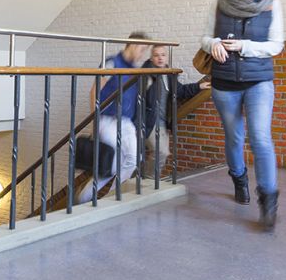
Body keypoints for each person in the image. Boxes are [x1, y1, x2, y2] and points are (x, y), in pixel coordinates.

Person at [201, 0, 284, 229]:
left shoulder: (272, 4)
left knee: (260, 137)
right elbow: (204, 36)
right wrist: (212, 43)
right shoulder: (219, 2)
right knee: (234, 137)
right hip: (224, 83)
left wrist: (245, 47)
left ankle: (268, 203)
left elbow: (276, 45)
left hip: (258, 81)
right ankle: (238, 179)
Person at [76, 34, 155, 202]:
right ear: (132, 45)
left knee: (133, 160)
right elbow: (94, 91)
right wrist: (96, 121)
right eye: (142, 50)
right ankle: (84, 198)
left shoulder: (134, 70)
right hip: (107, 120)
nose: (142, 55)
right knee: (112, 164)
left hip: (126, 122)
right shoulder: (112, 62)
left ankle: (110, 197)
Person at [140, 45, 211, 180]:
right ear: (151, 58)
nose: (160, 58)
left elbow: (179, 91)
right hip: (148, 121)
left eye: (163, 55)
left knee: (163, 153)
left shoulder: (169, 74)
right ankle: (149, 180)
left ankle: (146, 179)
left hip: (162, 122)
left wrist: (199, 86)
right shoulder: (145, 74)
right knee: (159, 152)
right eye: (156, 55)